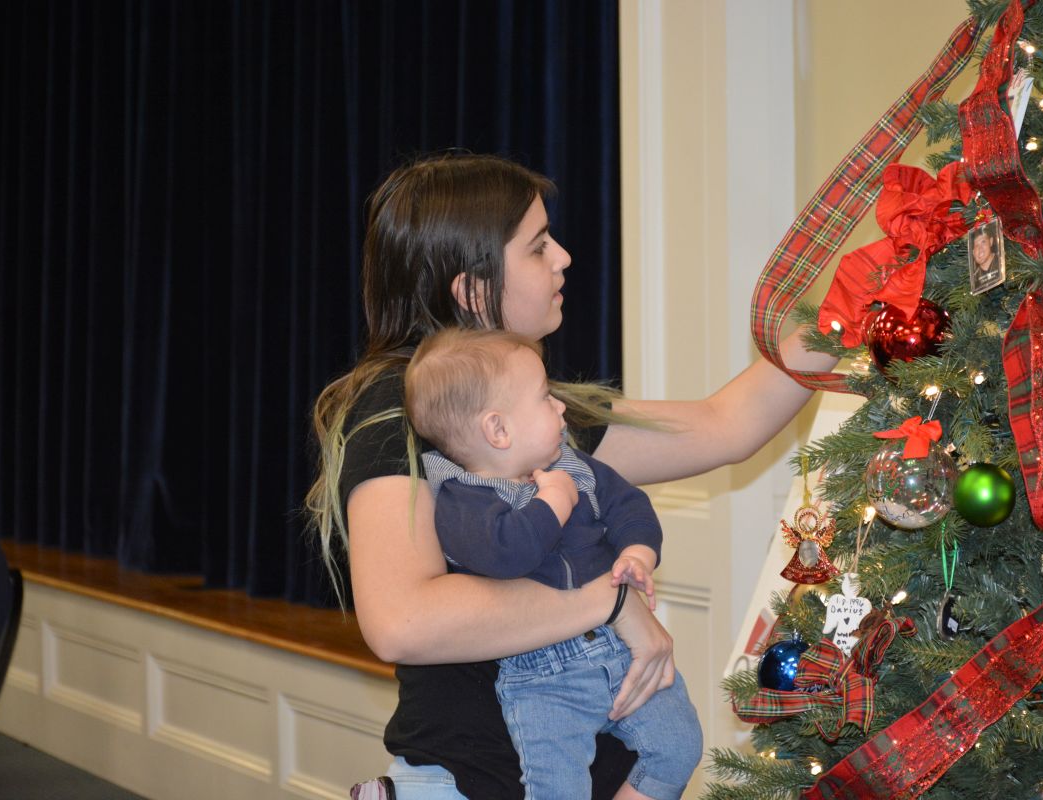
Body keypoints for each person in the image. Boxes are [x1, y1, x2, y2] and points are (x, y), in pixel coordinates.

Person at [305, 152, 837, 799]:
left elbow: (725, 425)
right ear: (472, 290)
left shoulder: (527, 415)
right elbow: (403, 620)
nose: (562, 257)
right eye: (537, 247)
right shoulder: (402, 409)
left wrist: (844, 316)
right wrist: (609, 603)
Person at [404, 327, 703, 800]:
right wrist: (554, 502)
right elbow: (507, 554)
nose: (561, 406)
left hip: (617, 647)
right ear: (498, 430)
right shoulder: (463, 502)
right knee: (557, 789)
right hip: (542, 677)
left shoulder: (572, 464)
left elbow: (628, 504)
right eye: (545, 397)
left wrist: (637, 552)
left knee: (679, 745)